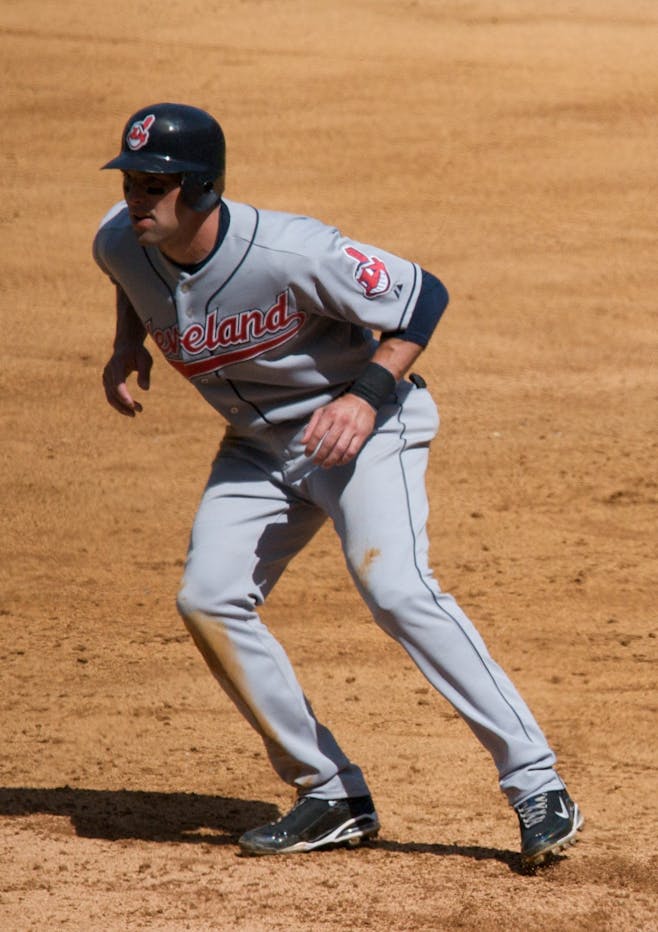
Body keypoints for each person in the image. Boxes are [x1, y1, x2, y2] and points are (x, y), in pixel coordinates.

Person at [95, 102, 583, 867]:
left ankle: (537, 782)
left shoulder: (291, 252)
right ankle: (329, 793)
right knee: (208, 599)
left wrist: (364, 398)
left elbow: (423, 295)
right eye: (131, 182)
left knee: (398, 591)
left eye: (156, 186)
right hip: (257, 448)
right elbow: (128, 275)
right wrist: (128, 342)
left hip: (365, 431)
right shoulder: (121, 239)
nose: (137, 200)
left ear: (204, 188)